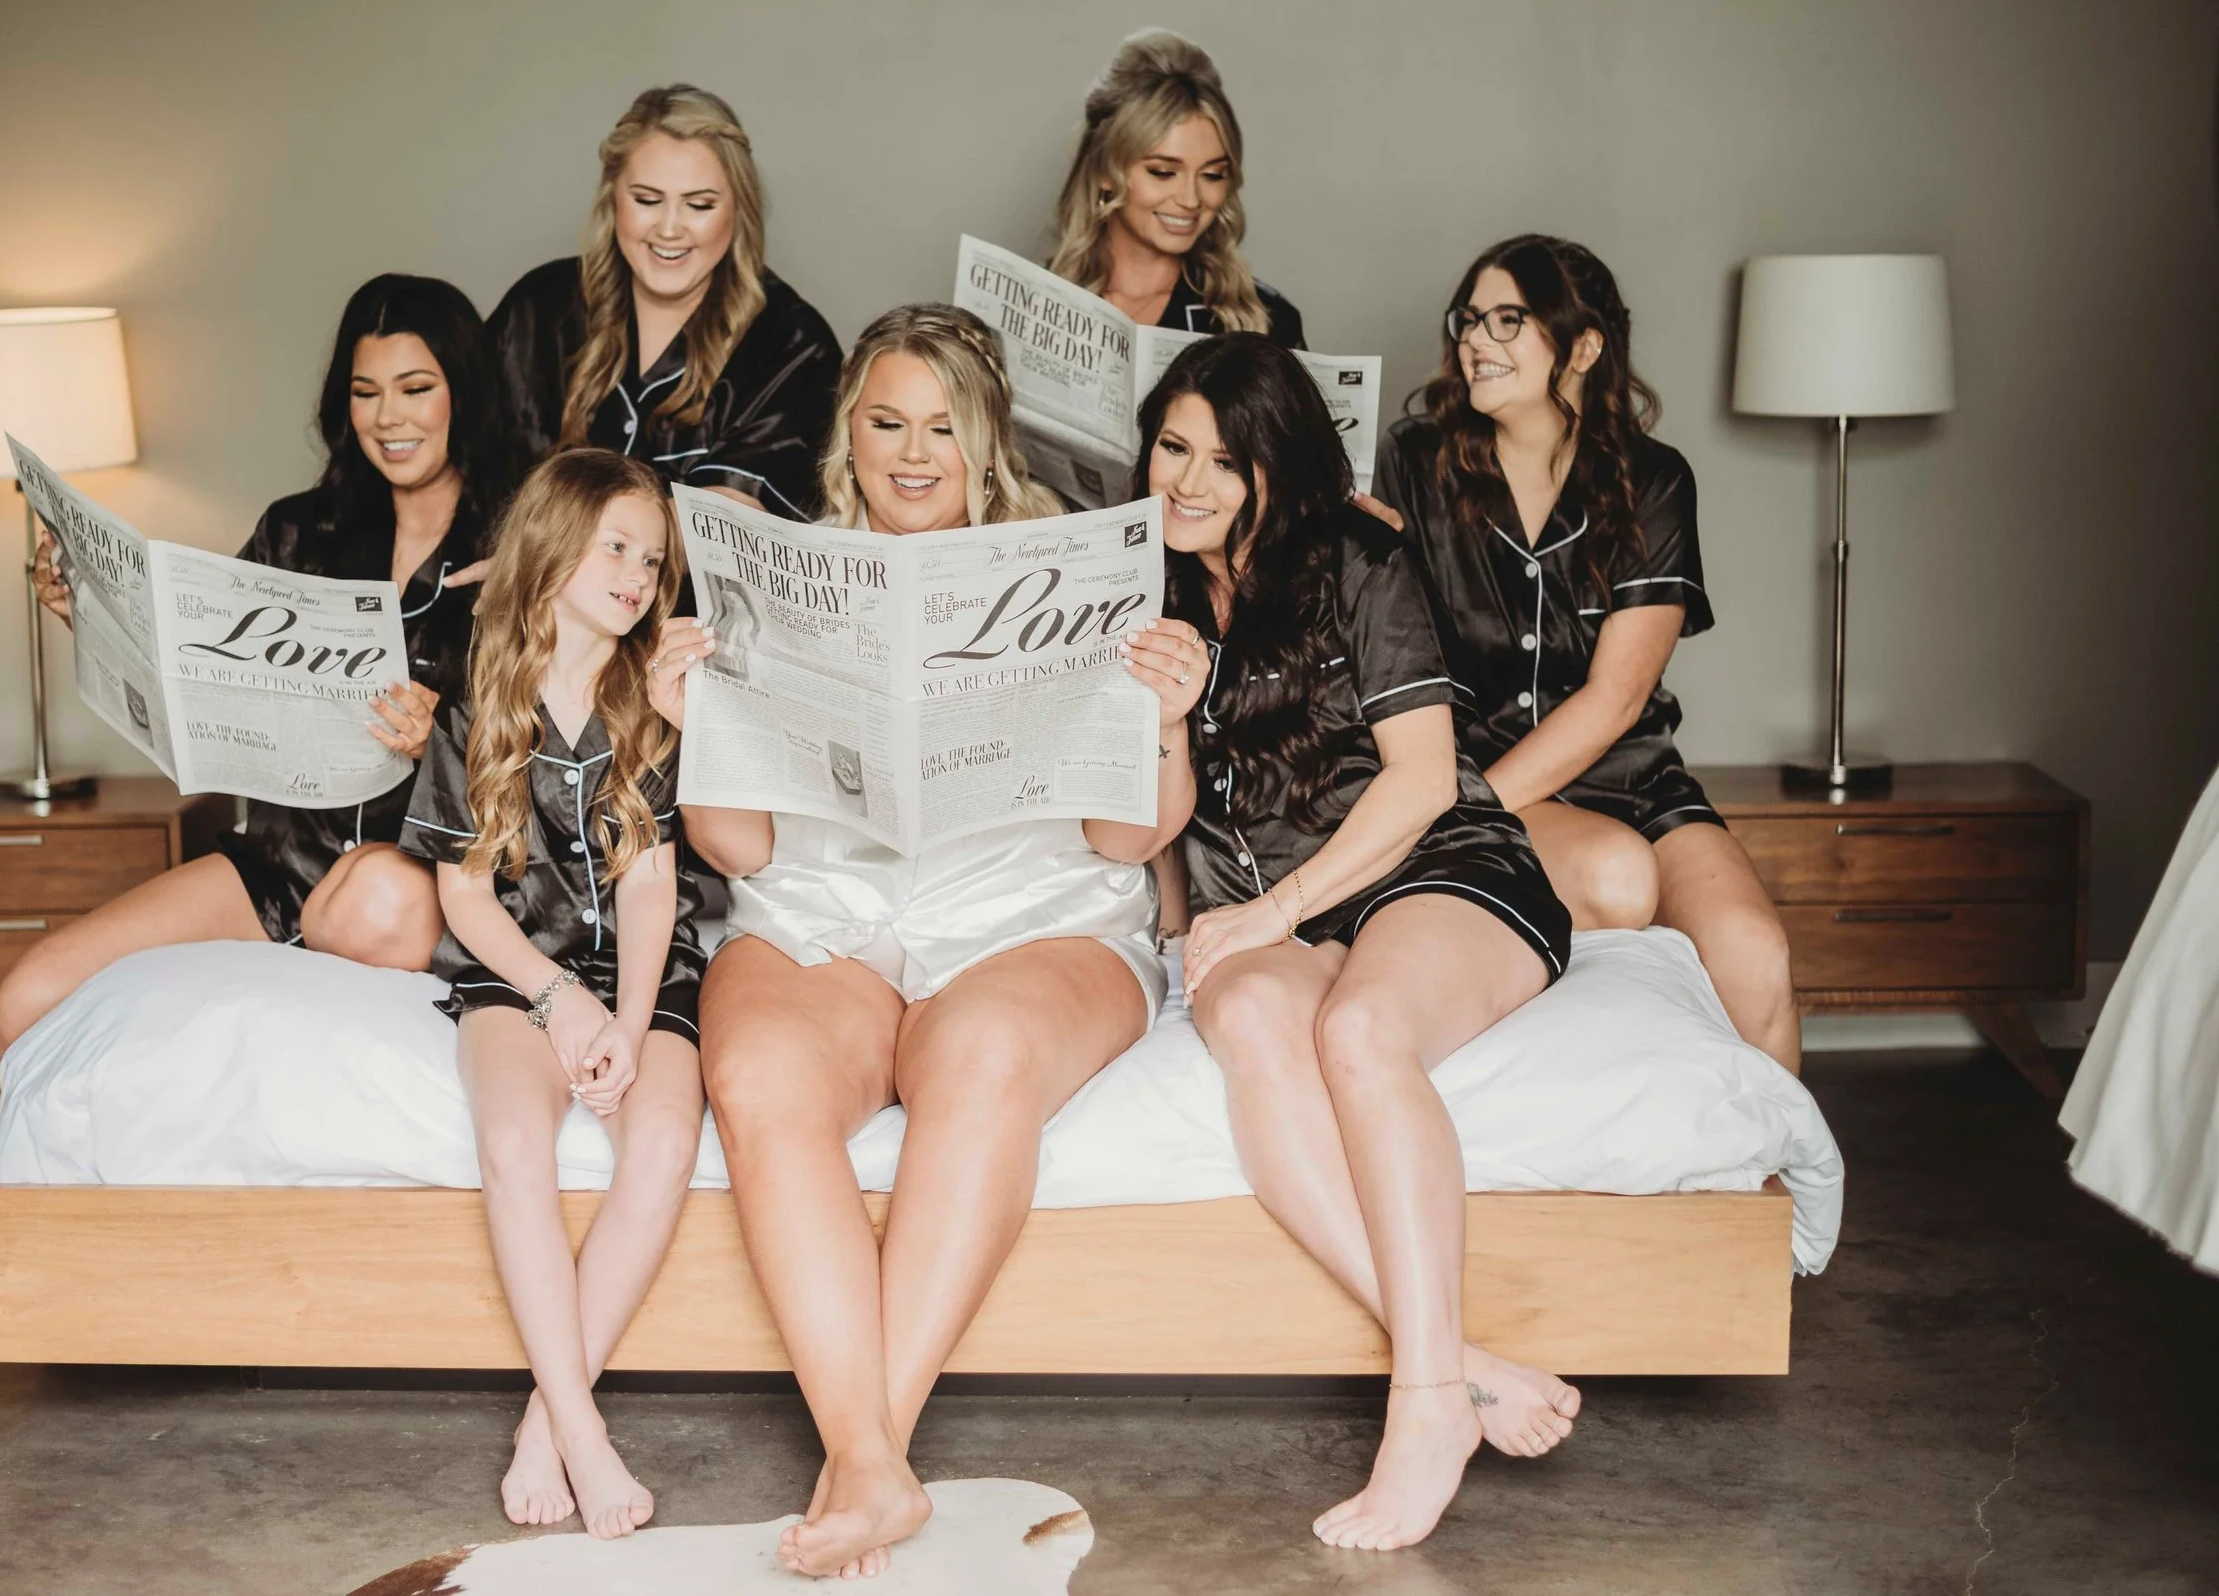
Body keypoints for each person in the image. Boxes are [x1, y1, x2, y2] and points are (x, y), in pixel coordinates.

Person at [645, 305, 1208, 1579]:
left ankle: (863, 1453)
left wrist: (1165, 720)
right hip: (827, 908)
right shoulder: (779, 574)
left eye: (943, 430)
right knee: (757, 1079)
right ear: (850, 430)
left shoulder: (1067, 572)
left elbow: (1124, 844)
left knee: (984, 1056)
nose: (913, 454)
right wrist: (691, 717)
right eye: (888, 423)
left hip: (1035, 910)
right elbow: (739, 850)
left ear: (986, 438)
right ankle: (874, 1463)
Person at [1154, 330, 1582, 1551]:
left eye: (1224, 461)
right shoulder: (1153, 584)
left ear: (1277, 468)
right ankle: (1453, 1359)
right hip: (1290, 899)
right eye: (1172, 446)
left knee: (1360, 1030)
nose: (1187, 480)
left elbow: (1420, 782)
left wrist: (1272, 915)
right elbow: (1160, 821)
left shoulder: (1358, 552)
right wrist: (1169, 721)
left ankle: (1421, 1404)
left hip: (1435, 859)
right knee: (1238, 1013)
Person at [0, 274, 514, 1061]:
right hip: (280, 861)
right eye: (366, 392)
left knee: (371, 902)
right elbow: (198, 679)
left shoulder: (517, 550)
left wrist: (440, 738)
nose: (389, 417)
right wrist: (86, 611)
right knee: (21, 1004)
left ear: (461, 395)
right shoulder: (298, 532)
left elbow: (563, 746)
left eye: (416, 388)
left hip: (420, 879)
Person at [1375, 234, 1801, 1072]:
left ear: (1583, 347)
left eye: (1509, 320)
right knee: (1616, 878)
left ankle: (1776, 1198)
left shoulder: (1655, 481)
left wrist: (1466, 812)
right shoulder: (1415, 460)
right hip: (1476, 766)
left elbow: (1615, 700)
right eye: (1470, 319)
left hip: (1629, 777)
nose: (1475, 341)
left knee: (1759, 958)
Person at [398, 448, 708, 1537]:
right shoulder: (478, 697)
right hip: (512, 972)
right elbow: (466, 897)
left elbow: (654, 882)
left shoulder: (652, 700)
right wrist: (555, 1006)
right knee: (516, 1145)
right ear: (552, 544)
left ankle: (543, 1415)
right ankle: (584, 1430)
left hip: (636, 973)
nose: (634, 573)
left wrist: (621, 1023)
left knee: (664, 1139)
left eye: (652, 558)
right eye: (614, 546)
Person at [490, 84, 841, 520]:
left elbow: (729, 517)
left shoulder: (793, 344)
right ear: (612, 197)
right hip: (520, 589)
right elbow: (466, 462)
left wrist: (545, 556)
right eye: (647, 200)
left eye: (699, 205)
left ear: (738, 210)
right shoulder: (537, 308)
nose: (670, 228)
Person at [1048, 29, 1306, 348]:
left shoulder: (1268, 320)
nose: (1190, 200)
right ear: (1103, 169)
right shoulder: (1032, 303)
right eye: (1164, 172)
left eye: (1212, 175)